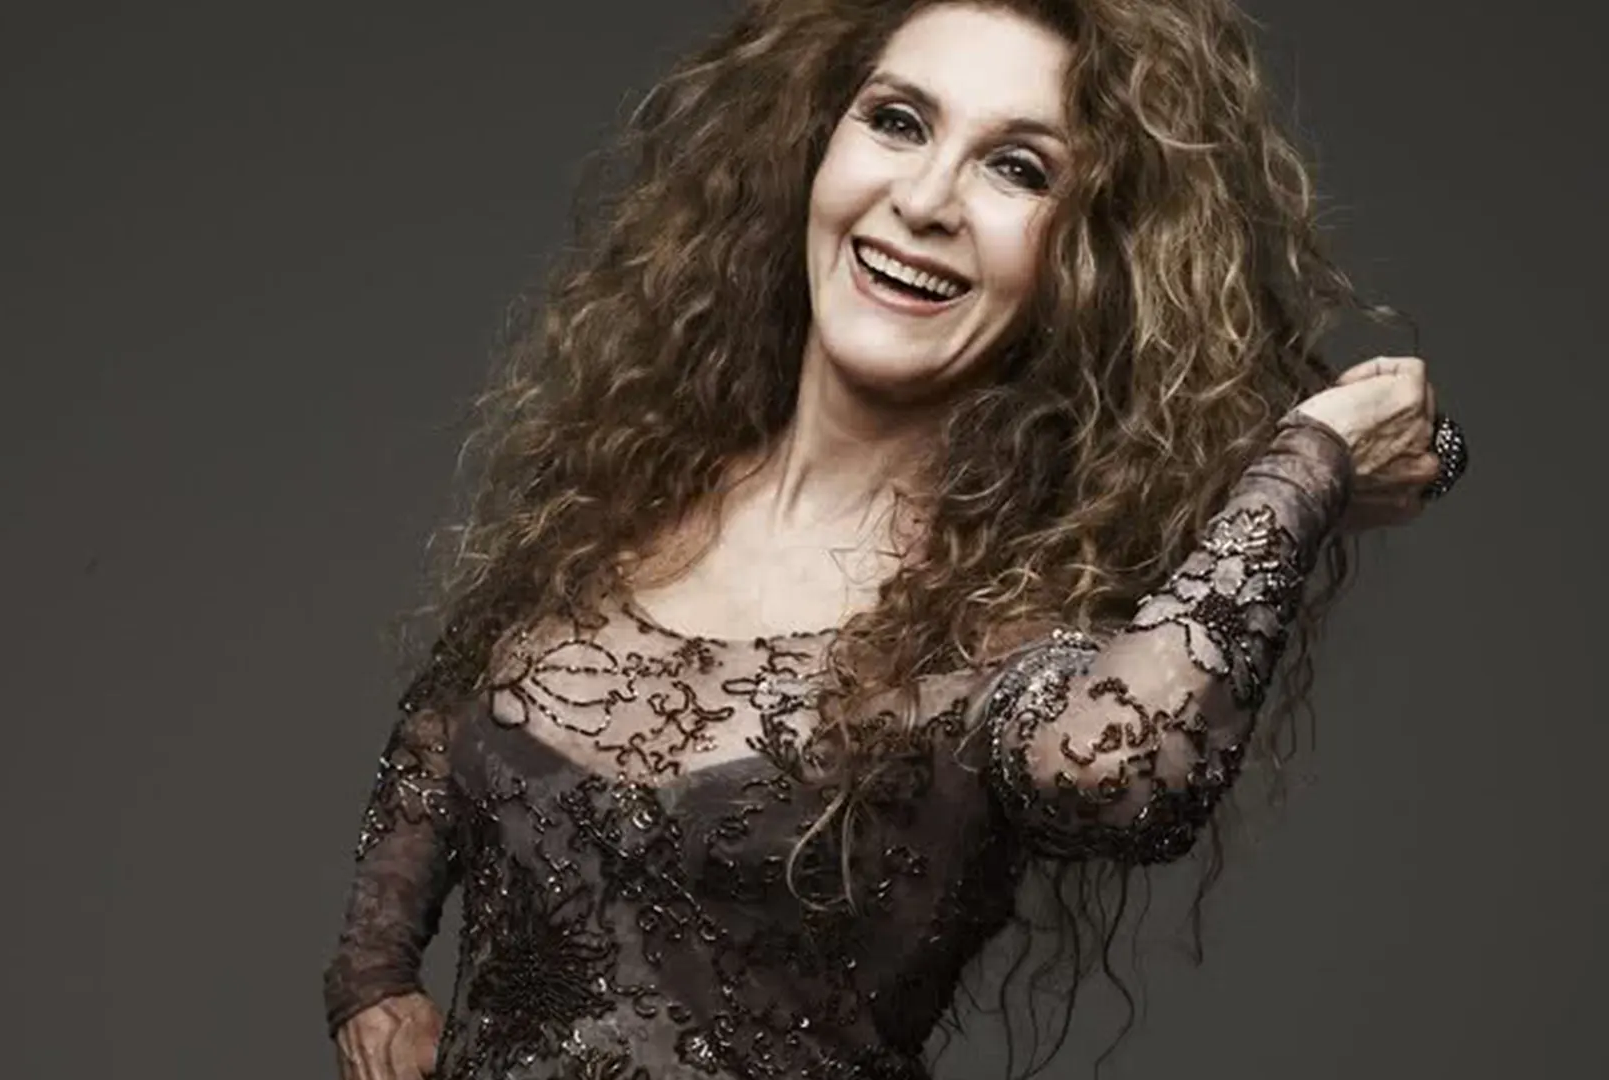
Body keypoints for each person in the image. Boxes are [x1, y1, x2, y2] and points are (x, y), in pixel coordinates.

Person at [320, 0, 1469, 1077]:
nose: (925, 200)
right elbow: (450, 718)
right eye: (899, 121)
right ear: (818, 146)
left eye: (1018, 168)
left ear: (1087, 259)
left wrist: (1308, 462)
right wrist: (373, 970)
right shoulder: (617, 502)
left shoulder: (997, 632)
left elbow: (1128, 780)